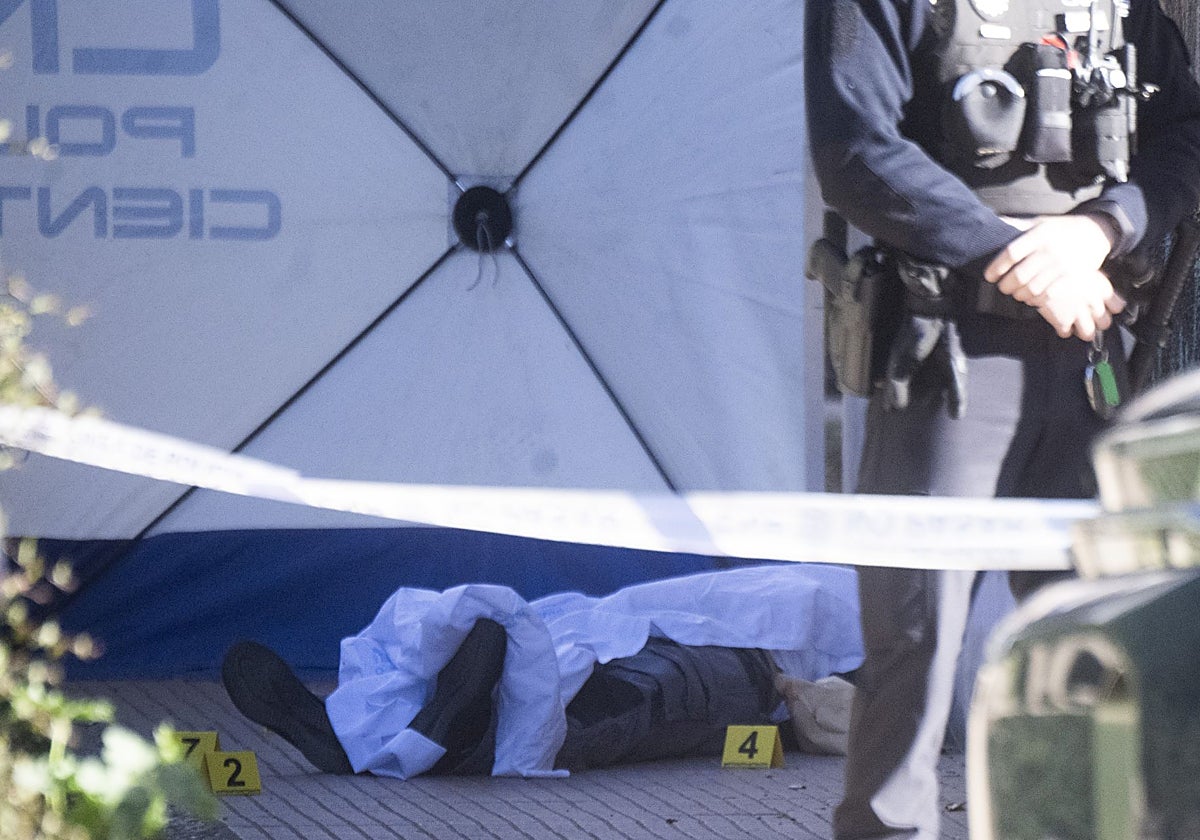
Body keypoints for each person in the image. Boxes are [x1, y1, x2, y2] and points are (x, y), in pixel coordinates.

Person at [804, 1, 1200, 838]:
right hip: (945, 358)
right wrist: (1013, 257)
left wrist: (1103, 227)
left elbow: (1185, 133)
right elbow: (854, 151)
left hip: (1094, 349)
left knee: (1097, 651)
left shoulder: (1122, 6)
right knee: (914, 651)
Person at [220, 563, 864, 778]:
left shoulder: (852, 582)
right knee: (625, 698)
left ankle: (366, 728)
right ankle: (451, 734)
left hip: (680, 639)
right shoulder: (896, 607)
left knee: (583, 667)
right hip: (738, 662)